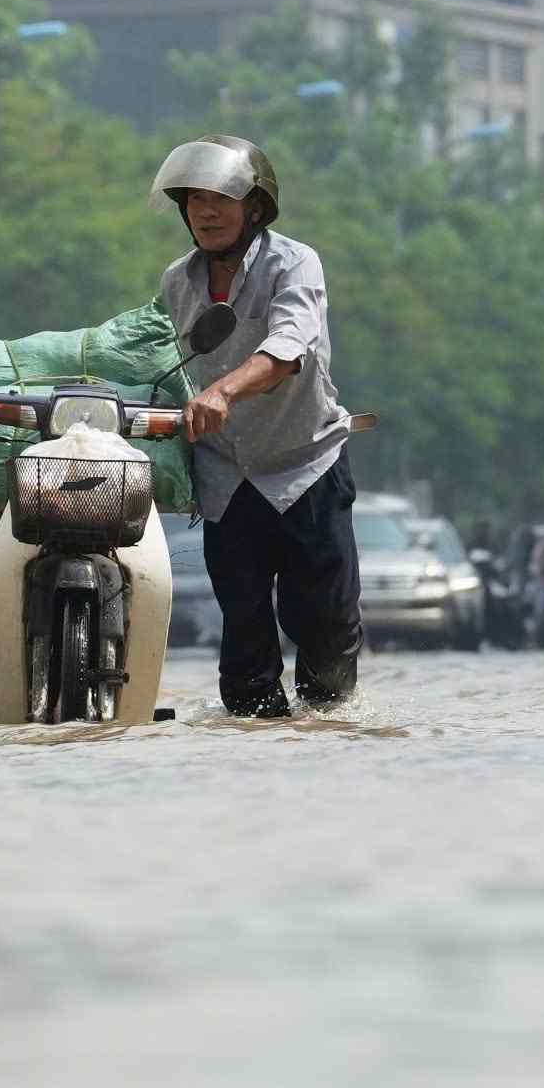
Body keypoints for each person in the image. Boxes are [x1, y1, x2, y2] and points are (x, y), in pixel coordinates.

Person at [154, 134, 360, 717]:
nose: (206, 212)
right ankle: (250, 746)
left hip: (305, 466)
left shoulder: (294, 263)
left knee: (321, 626)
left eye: (221, 198)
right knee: (244, 638)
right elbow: (164, 363)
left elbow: (289, 347)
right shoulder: (176, 282)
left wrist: (223, 389)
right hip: (227, 477)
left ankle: (328, 732)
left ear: (255, 207)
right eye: (194, 200)